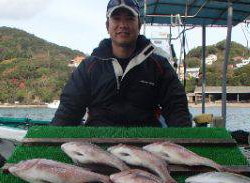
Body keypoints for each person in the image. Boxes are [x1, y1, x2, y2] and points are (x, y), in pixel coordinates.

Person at [51, 0, 192, 127]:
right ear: (107, 25)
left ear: (139, 25)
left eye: (130, 19)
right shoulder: (88, 67)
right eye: (116, 19)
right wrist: (52, 144)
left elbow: (177, 108)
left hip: (147, 146)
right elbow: (69, 109)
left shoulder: (159, 66)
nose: (123, 25)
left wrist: (186, 143)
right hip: (96, 145)